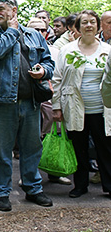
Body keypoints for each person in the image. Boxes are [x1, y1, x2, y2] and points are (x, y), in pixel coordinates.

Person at [0, 0, 55, 212]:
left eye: (1, 9)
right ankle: (2, 193)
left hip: (30, 101)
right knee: (2, 151)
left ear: (14, 10)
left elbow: (49, 62)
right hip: (3, 102)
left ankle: (33, 188)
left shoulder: (34, 35)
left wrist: (43, 71)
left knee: (32, 147)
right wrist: (12, 31)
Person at [53, 10, 111, 199]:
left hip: (102, 109)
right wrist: (57, 107)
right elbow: (57, 79)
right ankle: (80, 185)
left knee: (105, 148)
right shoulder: (67, 50)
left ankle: (109, 185)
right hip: (74, 108)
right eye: (84, 22)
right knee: (79, 148)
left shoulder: (107, 50)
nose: (88, 26)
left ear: (98, 26)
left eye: (92, 22)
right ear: (77, 27)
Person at [25, 18, 71, 186]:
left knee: (53, 135)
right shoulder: (22, 49)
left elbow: (60, 75)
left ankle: (54, 172)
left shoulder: (55, 50)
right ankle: (29, 175)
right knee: (31, 140)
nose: (40, 33)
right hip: (29, 101)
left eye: (43, 30)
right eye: (35, 29)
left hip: (51, 99)